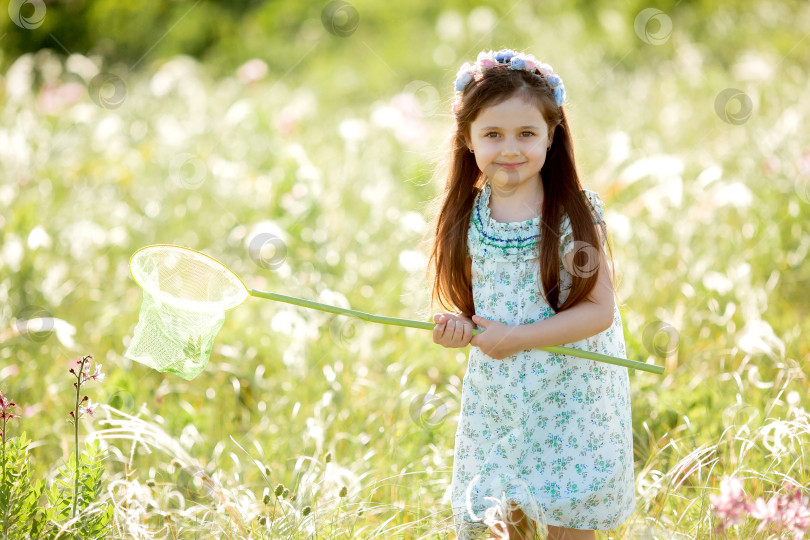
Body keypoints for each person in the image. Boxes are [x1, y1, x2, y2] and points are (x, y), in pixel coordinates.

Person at [425, 49, 635, 540]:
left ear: (551, 135)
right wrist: (457, 326)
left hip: (571, 398)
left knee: (567, 520)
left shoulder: (570, 216)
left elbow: (598, 310)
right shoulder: (468, 218)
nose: (510, 148)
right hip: (502, 400)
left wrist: (519, 337)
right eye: (493, 135)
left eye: (526, 134)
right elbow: (470, 306)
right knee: (503, 520)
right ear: (468, 139)